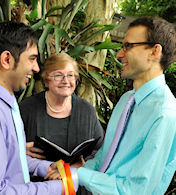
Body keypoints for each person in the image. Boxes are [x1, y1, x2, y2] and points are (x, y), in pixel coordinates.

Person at [74, 17, 176, 194]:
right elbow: (103, 158)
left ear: (154, 51)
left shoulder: (164, 113)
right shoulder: (126, 100)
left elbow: (136, 190)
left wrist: (78, 175)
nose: (120, 54)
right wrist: (72, 173)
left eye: (128, 46)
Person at [0, 21, 77, 195]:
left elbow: (11, 161)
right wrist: (58, 188)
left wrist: (45, 168)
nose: (37, 68)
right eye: (31, 59)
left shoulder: (6, 101)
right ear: (7, 60)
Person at [19, 53, 104, 194]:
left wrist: (78, 169)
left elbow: (100, 151)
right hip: (38, 188)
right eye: (58, 75)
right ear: (46, 80)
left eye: (70, 75)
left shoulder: (86, 110)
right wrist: (21, 150)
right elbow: (8, 149)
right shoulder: (27, 109)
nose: (65, 80)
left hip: (77, 187)